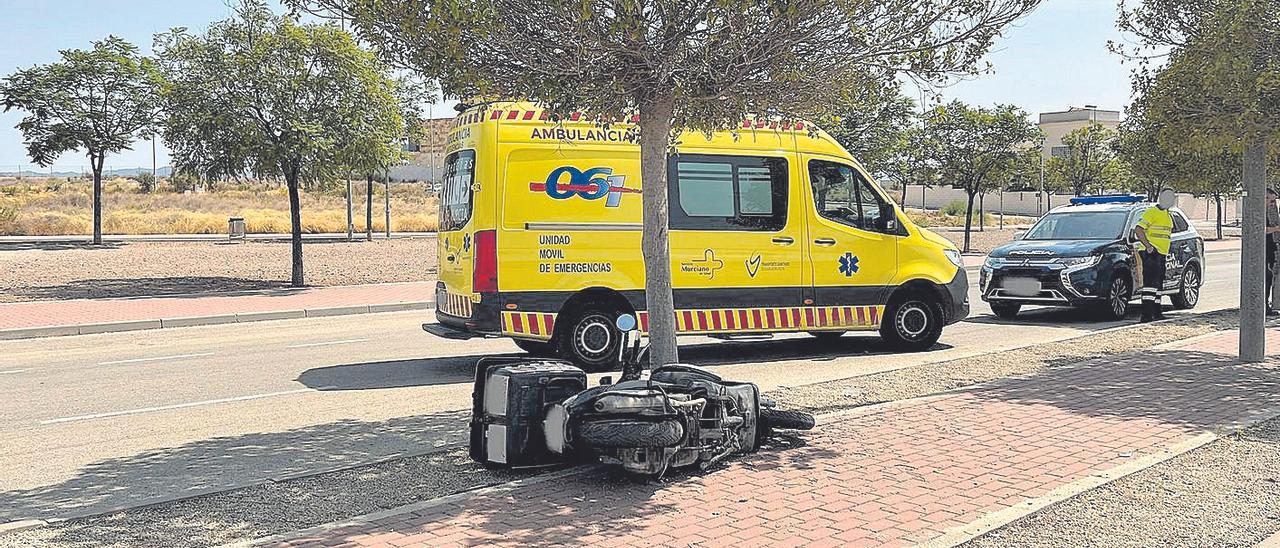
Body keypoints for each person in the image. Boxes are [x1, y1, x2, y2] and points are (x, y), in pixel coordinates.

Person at [1135, 189, 1177, 323]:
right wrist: (1148, 246)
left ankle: (1157, 312)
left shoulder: (1167, 214)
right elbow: (1138, 229)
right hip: (1151, 253)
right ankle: (1146, 315)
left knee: (1158, 284)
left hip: (1161, 253)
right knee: (1150, 284)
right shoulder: (1152, 212)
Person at [1267, 188, 1280, 315]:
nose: (1273, 204)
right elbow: (1260, 229)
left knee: (1270, 277)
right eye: (1271, 201)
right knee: (1266, 277)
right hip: (1263, 249)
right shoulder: (1259, 212)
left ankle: (1269, 305)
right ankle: (1264, 305)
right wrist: (1276, 228)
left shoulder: (1271, 212)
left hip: (1272, 248)